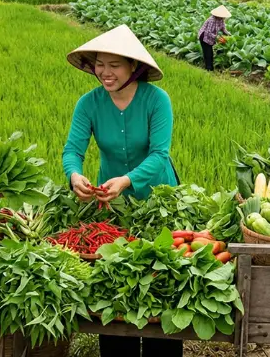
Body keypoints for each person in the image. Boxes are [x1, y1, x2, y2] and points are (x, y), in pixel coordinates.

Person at [62, 25, 182, 357]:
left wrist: (127, 181)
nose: (105, 72)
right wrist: (74, 176)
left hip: (159, 200)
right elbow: (72, 150)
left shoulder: (157, 100)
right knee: (116, 282)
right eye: (100, 64)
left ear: (134, 67)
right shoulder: (88, 104)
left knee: (159, 282)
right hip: (110, 205)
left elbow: (160, 154)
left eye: (114, 65)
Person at [197, 5, 231, 71]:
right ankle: (208, 69)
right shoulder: (212, 20)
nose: (224, 17)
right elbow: (208, 32)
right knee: (208, 53)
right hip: (204, 36)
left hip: (211, 36)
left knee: (211, 53)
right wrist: (217, 37)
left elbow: (223, 29)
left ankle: (209, 67)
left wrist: (228, 34)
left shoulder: (221, 20)